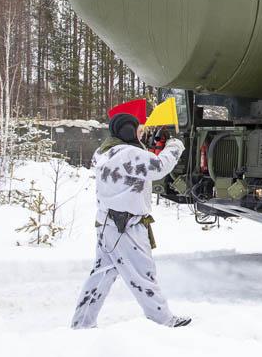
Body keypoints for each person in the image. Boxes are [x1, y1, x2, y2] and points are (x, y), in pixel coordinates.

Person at [70, 111, 189, 329]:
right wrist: (174, 145)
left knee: (101, 275)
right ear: (126, 130)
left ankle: (81, 323)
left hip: (108, 224)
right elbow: (158, 167)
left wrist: (151, 148)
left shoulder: (106, 152)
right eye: (138, 129)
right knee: (144, 275)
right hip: (126, 227)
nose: (141, 134)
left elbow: (140, 163)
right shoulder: (127, 154)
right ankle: (163, 320)